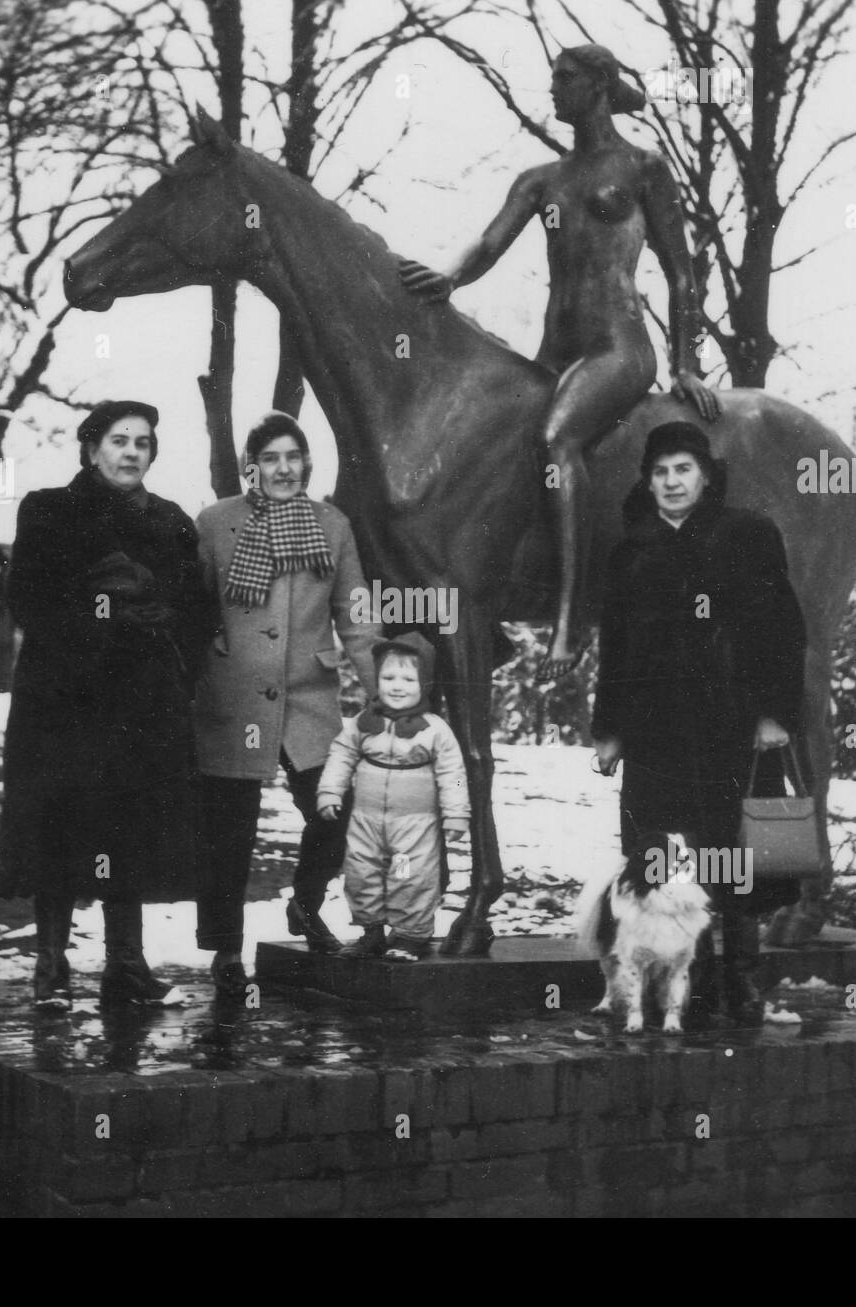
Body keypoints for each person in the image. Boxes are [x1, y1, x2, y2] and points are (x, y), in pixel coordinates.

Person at [401, 43, 721, 680]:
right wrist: (449, 278)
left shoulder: (643, 168)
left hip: (617, 348)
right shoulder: (539, 181)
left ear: (599, 85)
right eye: (552, 78)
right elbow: (490, 243)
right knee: (487, 444)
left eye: (564, 78)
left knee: (557, 437)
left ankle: (575, 619)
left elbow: (682, 274)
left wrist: (688, 363)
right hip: (554, 353)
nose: (552, 89)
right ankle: (488, 607)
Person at [0, 399, 214, 1010]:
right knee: (58, 826)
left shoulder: (171, 521)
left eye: (142, 443)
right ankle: (50, 969)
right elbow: (29, 600)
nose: (131, 453)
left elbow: (197, 613)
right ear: (91, 448)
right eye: (119, 440)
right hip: (63, 702)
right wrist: (110, 616)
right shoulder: (49, 509)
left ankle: (126, 967)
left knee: (132, 828)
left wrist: (171, 656)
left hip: (145, 706)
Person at [591, 421, 807, 1025]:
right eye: (660, 472)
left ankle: (740, 984)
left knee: (728, 853)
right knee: (659, 854)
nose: (671, 482)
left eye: (683, 469)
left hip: (729, 724)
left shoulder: (748, 534)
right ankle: (677, 989)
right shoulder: (631, 548)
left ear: (706, 475)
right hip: (655, 730)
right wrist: (609, 729)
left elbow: (781, 630)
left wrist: (773, 713)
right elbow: (617, 645)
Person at [192, 411, 381, 996]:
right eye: (269, 458)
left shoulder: (332, 525)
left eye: (292, 457)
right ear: (252, 468)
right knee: (229, 831)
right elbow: (191, 605)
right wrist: (207, 651)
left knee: (338, 810)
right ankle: (226, 950)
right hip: (231, 700)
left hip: (307, 700)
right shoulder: (215, 522)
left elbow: (355, 614)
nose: (282, 468)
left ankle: (305, 903)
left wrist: (383, 691)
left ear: (306, 464)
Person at [317, 632, 470, 961]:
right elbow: (341, 755)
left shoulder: (434, 729)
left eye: (407, 678)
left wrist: (456, 812)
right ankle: (370, 932)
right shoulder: (363, 723)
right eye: (388, 677)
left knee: (406, 875)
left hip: (411, 825)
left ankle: (408, 936)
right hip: (366, 821)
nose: (396, 685)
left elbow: (453, 774)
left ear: (425, 683)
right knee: (361, 872)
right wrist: (331, 791)